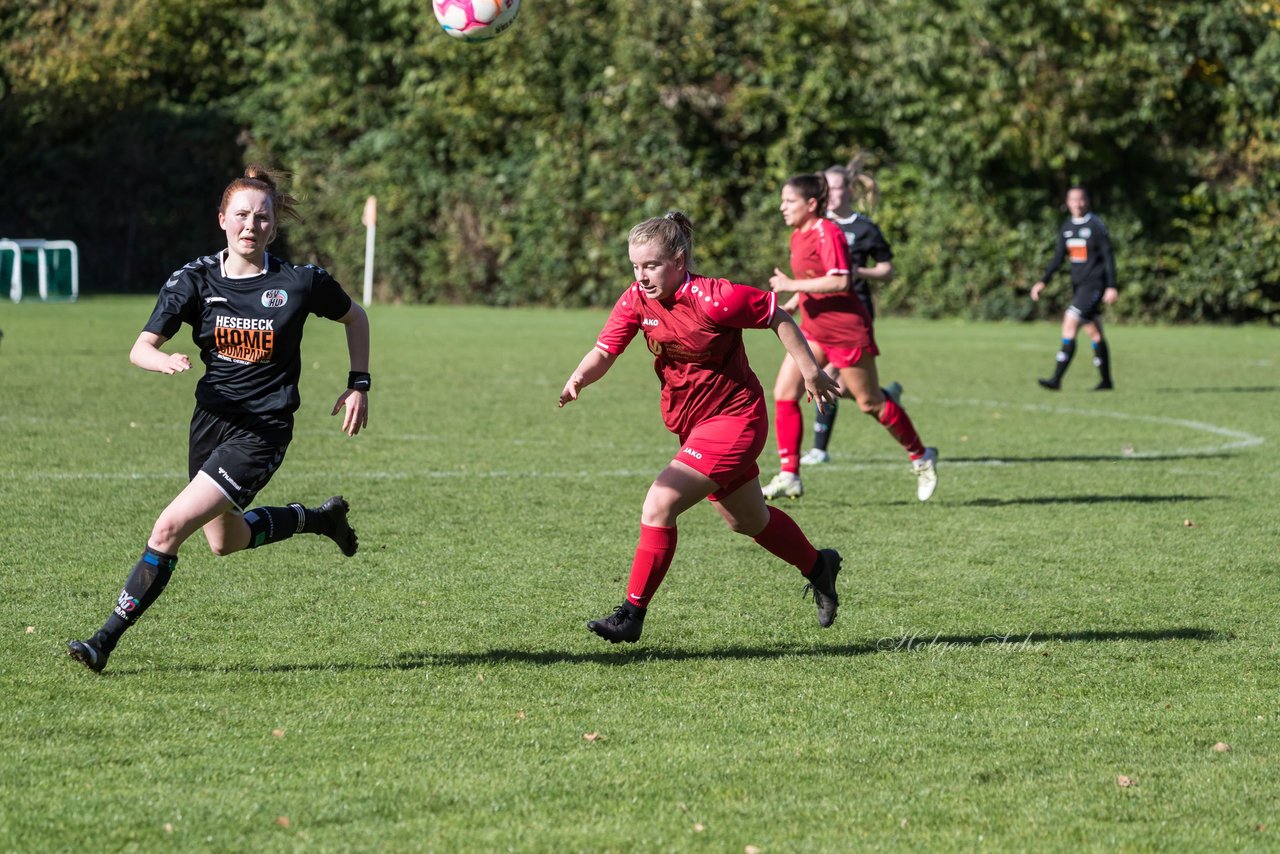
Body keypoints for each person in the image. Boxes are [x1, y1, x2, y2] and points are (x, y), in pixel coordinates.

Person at [67, 165, 371, 673]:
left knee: (167, 530)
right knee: (224, 541)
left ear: (274, 225)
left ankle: (103, 641)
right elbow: (140, 347)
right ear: (222, 220)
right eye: (242, 215)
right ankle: (317, 519)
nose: (252, 224)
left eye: (263, 217)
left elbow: (355, 317)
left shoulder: (300, 282)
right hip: (209, 422)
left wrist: (359, 382)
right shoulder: (194, 279)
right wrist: (161, 359)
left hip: (262, 430)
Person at [559, 211, 843, 644]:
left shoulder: (716, 297)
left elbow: (777, 317)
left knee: (659, 503)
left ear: (679, 259)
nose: (642, 275)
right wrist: (579, 376)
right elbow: (605, 349)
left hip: (736, 420)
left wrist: (809, 371)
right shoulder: (636, 298)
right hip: (693, 425)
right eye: (635, 266)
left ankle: (631, 614)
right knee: (748, 520)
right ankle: (819, 566)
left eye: (651, 265)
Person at [762, 173, 937, 502]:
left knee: (871, 403)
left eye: (789, 201)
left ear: (811, 204)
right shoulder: (798, 235)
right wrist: (792, 302)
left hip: (846, 333)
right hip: (814, 331)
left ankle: (921, 456)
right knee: (785, 393)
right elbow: (811, 280)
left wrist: (791, 287)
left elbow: (840, 281)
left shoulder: (828, 232)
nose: (782, 207)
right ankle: (790, 475)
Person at [799, 164, 900, 466]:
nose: (831, 194)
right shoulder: (817, 225)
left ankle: (819, 448)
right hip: (821, 315)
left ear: (850, 191)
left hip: (854, 315)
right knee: (827, 382)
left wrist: (857, 271)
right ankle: (884, 396)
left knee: (826, 378)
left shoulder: (864, 228)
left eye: (837, 188)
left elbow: (887, 270)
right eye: (826, 189)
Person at [1030, 186, 1118, 390]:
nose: (1077, 204)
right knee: (1095, 333)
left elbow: (1108, 257)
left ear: (1086, 201)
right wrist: (1043, 281)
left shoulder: (1096, 226)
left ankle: (1056, 379)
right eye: (1073, 200)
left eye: (1081, 200)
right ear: (1067, 203)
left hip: (1094, 285)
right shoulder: (1067, 227)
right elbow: (1058, 258)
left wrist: (1111, 286)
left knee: (1070, 322)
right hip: (1079, 287)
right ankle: (1106, 381)